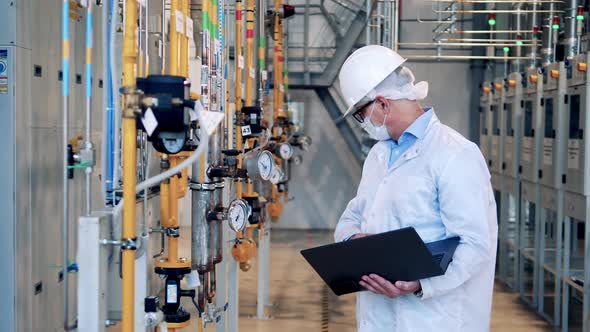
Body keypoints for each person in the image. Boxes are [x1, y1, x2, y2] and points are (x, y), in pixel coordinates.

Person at [334, 45, 498, 331]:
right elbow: (352, 217)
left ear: (384, 104)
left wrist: (420, 283)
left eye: (361, 115)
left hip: (432, 318)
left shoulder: (454, 154)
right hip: (379, 314)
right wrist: (353, 242)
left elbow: (474, 244)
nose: (363, 125)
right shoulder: (378, 156)